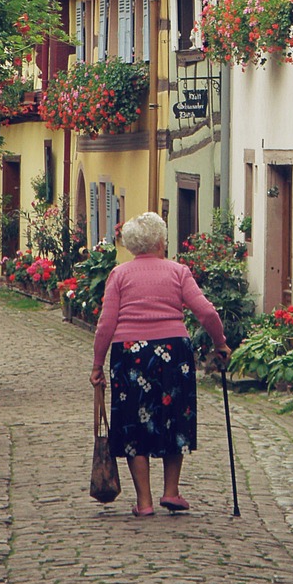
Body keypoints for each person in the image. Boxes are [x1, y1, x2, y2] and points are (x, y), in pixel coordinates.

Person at [89, 211, 231, 517]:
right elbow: (206, 312)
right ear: (160, 241)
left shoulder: (120, 275)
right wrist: (219, 343)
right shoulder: (178, 272)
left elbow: (106, 324)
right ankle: (171, 491)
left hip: (130, 355)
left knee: (133, 424)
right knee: (173, 418)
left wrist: (97, 365)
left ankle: (144, 502)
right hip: (173, 353)